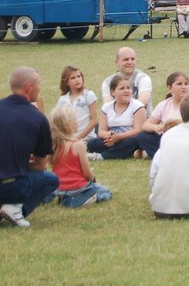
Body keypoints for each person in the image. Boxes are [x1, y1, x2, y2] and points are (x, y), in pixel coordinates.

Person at [0, 67, 59, 227]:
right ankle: (15, 210)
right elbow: (40, 165)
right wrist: (18, 164)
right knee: (50, 179)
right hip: (10, 185)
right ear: (28, 87)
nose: (40, 88)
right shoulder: (37, 118)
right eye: (38, 84)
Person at [48, 107, 112, 208]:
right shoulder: (78, 145)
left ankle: (66, 198)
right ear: (68, 124)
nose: (77, 121)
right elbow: (87, 173)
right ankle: (81, 199)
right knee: (105, 191)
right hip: (78, 187)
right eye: (75, 119)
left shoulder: (53, 145)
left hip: (59, 188)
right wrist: (93, 179)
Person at [86, 74, 146, 160]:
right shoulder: (106, 107)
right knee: (92, 144)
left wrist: (119, 137)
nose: (126, 91)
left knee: (135, 140)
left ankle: (101, 156)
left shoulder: (138, 106)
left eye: (128, 88)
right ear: (113, 92)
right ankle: (125, 153)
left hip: (129, 139)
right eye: (122, 88)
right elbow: (101, 131)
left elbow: (138, 131)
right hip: (112, 140)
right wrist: (108, 136)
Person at [137, 72, 189, 158]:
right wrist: (156, 127)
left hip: (184, 138)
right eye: (179, 84)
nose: (184, 87)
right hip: (166, 137)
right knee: (142, 136)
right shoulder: (163, 104)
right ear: (169, 88)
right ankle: (166, 155)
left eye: (186, 84)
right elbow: (146, 125)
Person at [101, 46, 153, 112]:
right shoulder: (108, 82)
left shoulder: (143, 78)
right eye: (126, 59)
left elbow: (142, 103)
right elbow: (107, 106)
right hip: (116, 120)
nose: (130, 62)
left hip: (142, 119)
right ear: (117, 62)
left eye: (133, 59)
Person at [54, 65, 98, 140]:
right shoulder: (63, 99)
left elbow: (94, 120)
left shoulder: (88, 95)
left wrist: (79, 137)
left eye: (79, 76)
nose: (77, 80)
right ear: (67, 82)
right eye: (73, 78)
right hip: (68, 137)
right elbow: (58, 120)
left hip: (87, 138)